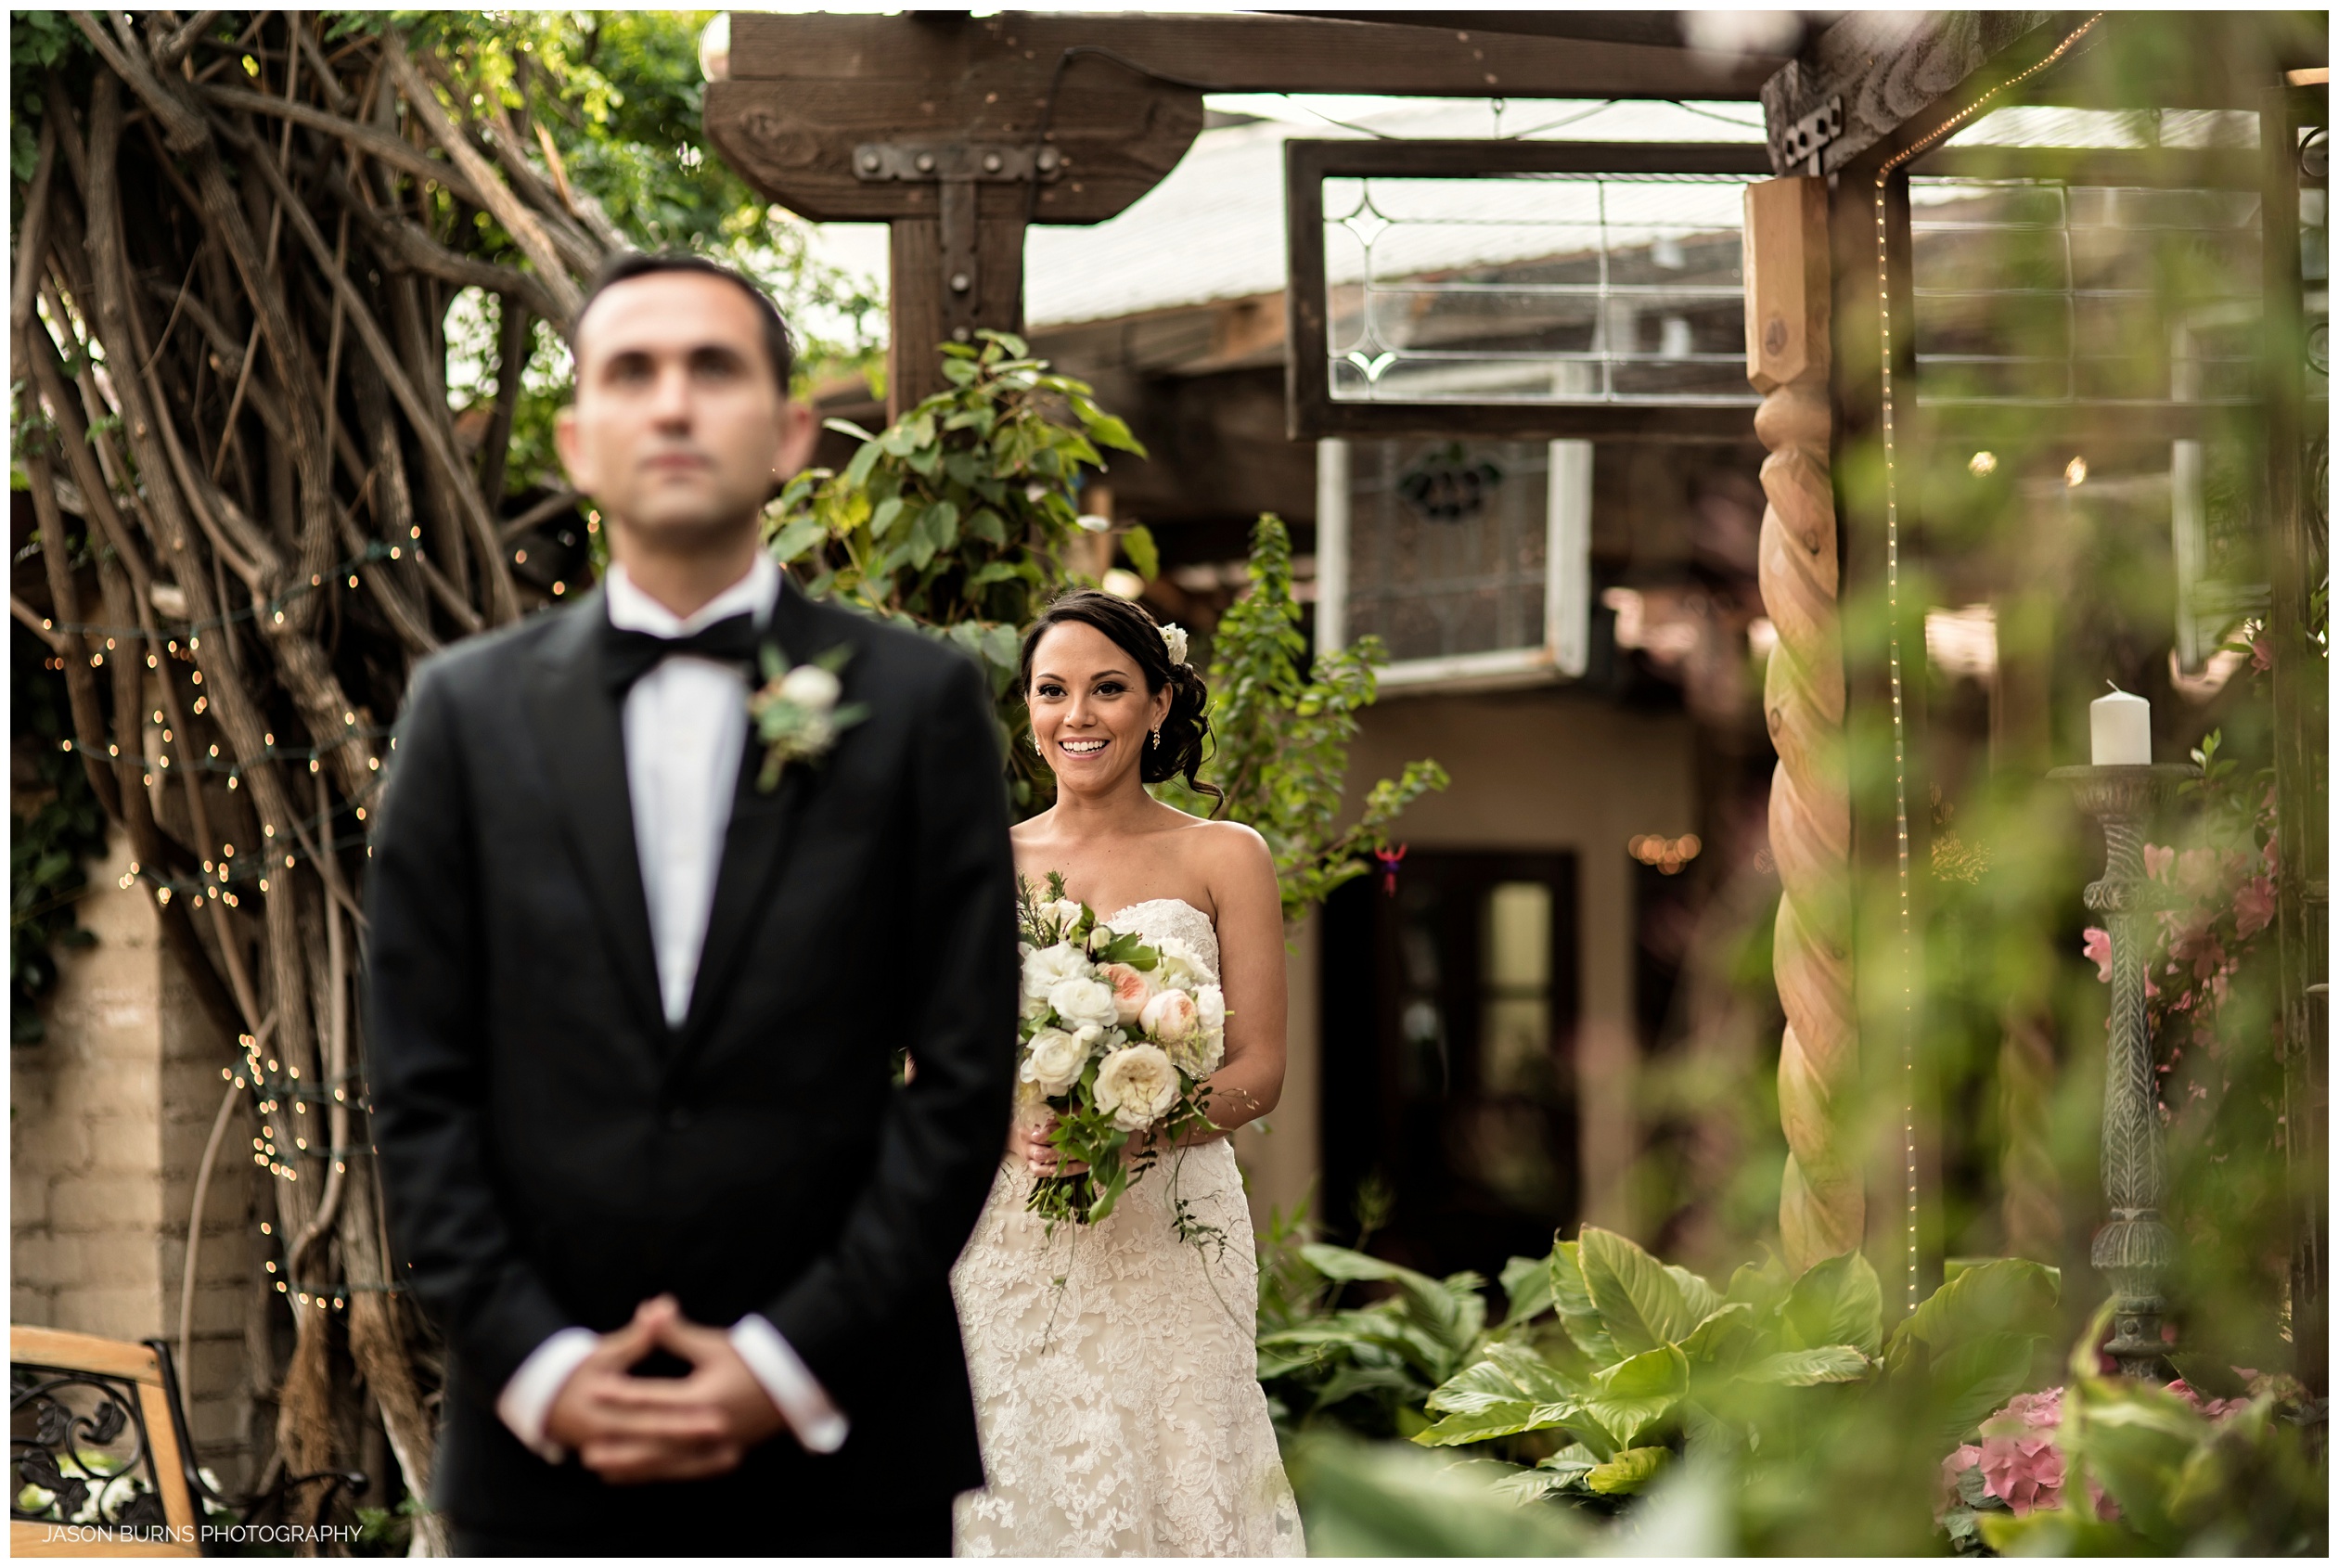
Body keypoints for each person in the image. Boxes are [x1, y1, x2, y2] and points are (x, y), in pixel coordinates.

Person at [366, 253, 1018, 1556]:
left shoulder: (918, 705)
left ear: (785, 433)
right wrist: (539, 1360)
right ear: (577, 438)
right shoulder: (462, 713)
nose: (671, 404)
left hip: (845, 1442)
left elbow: (959, 1076)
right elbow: (418, 1079)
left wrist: (787, 1358)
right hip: (541, 1441)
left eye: (712, 368)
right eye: (632, 372)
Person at [950, 591, 1305, 1556]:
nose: (1078, 715)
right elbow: (943, 1055)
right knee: (1014, 1469)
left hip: (1171, 1225)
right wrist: (1008, 1117)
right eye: (1052, 691)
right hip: (1012, 1226)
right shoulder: (984, 858)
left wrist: (1137, 1130)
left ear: (1158, 703)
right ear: (1026, 709)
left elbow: (1262, 1070)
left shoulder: (1226, 855)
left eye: (1108, 689)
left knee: (1181, 1465)